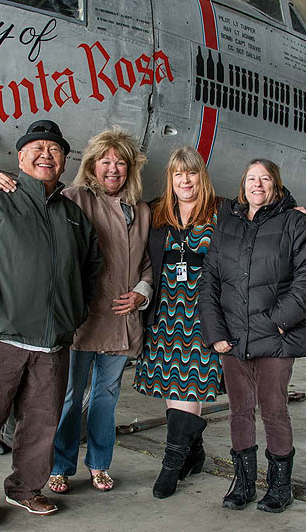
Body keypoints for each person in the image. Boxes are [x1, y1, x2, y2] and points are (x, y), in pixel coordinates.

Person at [0, 120, 102, 528]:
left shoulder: (74, 215)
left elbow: (93, 267)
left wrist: (76, 312)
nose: (45, 155)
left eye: (54, 150)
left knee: (41, 424)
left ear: (64, 161)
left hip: (52, 342)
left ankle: (26, 489)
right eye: (36, 148)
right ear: (20, 157)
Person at [0, 127, 152, 494]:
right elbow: (33, 203)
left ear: (130, 170)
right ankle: (60, 465)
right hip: (83, 318)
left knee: (106, 399)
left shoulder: (141, 211)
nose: (113, 169)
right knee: (69, 396)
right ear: (92, 166)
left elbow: (146, 263)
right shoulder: (73, 197)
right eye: (105, 162)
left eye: (120, 163)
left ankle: (99, 464)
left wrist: (142, 292)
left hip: (123, 320)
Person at [199, 159, 306, 513]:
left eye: (265, 178)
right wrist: (216, 333)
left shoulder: (296, 223)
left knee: (273, 410)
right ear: (243, 185)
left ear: (276, 184)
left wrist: (279, 322)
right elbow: (210, 281)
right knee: (239, 412)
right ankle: (243, 482)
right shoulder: (227, 225)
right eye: (251, 178)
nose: (257, 184)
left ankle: (279, 485)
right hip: (233, 340)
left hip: (276, 337)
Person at [133, 146, 226, 499]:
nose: (184, 180)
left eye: (191, 173)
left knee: (192, 386)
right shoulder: (157, 212)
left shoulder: (223, 211)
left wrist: (293, 208)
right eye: (177, 174)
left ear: (201, 176)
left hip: (203, 314)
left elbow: (264, 203)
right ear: (171, 179)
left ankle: (170, 466)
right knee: (175, 387)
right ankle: (195, 452)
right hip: (166, 315)